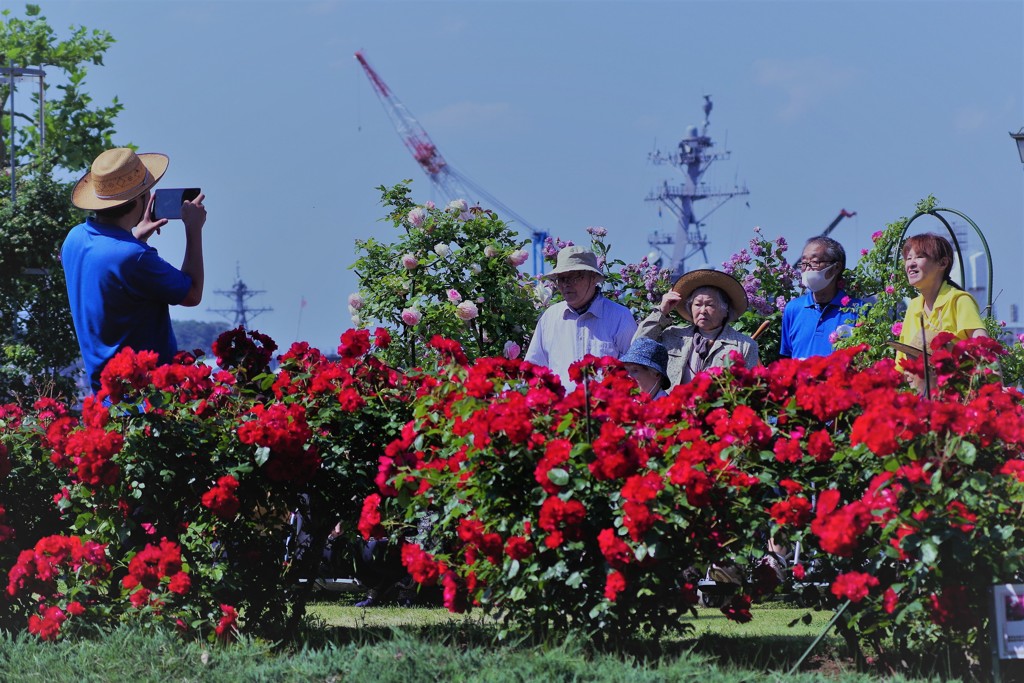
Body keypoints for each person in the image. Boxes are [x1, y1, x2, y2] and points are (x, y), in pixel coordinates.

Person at [62, 148, 207, 393]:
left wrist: (136, 237)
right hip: (145, 397)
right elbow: (192, 293)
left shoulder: (74, 239)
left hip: (105, 394)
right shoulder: (134, 257)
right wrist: (194, 229)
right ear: (142, 198)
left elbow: (110, 272)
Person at [524, 246, 637, 387]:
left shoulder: (619, 317)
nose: (566, 284)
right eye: (561, 279)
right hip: (560, 402)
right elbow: (533, 370)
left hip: (604, 401)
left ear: (593, 278)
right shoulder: (550, 318)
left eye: (574, 277)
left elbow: (635, 371)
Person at [633, 269, 759, 388]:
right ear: (690, 308)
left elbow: (748, 388)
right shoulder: (672, 335)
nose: (703, 310)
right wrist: (661, 311)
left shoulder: (745, 346)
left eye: (710, 305)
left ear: (725, 309)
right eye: (697, 304)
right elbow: (637, 347)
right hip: (674, 402)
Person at [896, 232, 987, 366]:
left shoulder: (959, 301)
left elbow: (985, 350)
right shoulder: (913, 307)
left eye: (919, 257)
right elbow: (900, 364)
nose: (910, 264)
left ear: (943, 263)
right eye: (908, 258)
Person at [780, 236, 864, 360]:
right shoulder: (793, 309)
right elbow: (786, 359)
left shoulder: (858, 310)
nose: (807, 268)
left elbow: (866, 359)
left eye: (814, 262)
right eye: (803, 263)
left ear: (836, 267)